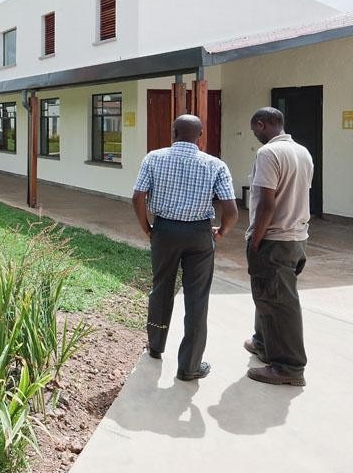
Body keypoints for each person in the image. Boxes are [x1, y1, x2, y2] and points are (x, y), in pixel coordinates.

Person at [132, 114, 237, 381]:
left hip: (165, 231)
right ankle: (189, 367)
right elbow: (231, 210)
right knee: (197, 298)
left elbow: (138, 196)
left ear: (174, 132)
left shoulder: (153, 158)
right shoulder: (215, 165)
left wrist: (147, 227)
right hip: (199, 235)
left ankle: (155, 346)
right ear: (200, 136)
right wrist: (222, 231)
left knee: (161, 288)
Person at [243, 107, 312, 387]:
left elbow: (267, 203)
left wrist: (256, 239)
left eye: (255, 130)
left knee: (281, 302)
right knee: (269, 294)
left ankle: (289, 366)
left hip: (274, 238)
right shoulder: (302, 152)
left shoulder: (268, 153)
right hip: (297, 236)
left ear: (262, 124)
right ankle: (263, 343)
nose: (255, 135)